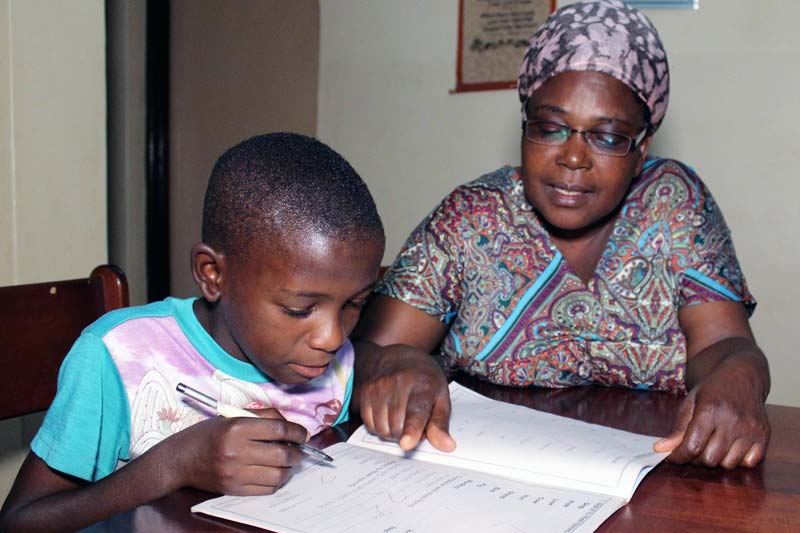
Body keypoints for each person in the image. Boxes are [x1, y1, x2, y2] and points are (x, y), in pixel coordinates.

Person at [353, 0, 770, 470]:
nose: (573, 158)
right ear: (525, 127)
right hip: (479, 470)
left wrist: (742, 373)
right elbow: (371, 349)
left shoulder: (675, 203)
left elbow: (721, 345)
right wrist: (391, 365)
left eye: (608, 137)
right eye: (550, 128)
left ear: (641, 149)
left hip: (654, 474)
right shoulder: (471, 218)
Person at [0, 133, 385, 531]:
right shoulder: (116, 358)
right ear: (212, 274)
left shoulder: (328, 362)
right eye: (299, 309)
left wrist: (400, 364)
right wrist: (173, 464)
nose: (333, 338)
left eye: (355, 303)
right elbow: (18, 521)